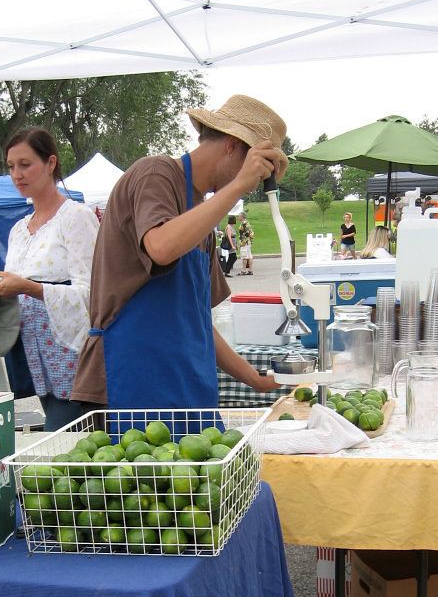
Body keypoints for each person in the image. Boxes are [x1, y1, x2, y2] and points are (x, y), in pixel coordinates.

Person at [72, 94, 287, 411]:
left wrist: (255, 379)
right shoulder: (155, 174)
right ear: (232, 145)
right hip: (132, 383)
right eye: (256, 169)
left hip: (185, 390)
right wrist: (238, 186)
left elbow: (197, 321)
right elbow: (160, 247)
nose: (254, 184)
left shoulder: (203, 215)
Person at [0, 127, 99, 431]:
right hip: (36, 358)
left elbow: (94, 293)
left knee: (64, 445)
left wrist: (27, 287)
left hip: (72, 354)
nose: (16, 174)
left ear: (50, 163)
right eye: (11, 167)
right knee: (62, 446)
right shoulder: (19, 229)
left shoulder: (76, 217)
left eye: (25, 164)